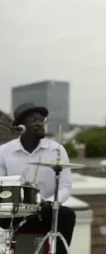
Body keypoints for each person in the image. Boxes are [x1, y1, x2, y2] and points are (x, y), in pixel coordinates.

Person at [0, 102, 75, 254]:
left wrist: (53, 203)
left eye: (42, 120)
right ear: (21, 126)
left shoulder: (57, 150)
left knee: (67, 215)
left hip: (45, 208)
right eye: (33, 120)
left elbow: (65, 186)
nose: (40, 124)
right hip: (13, 209)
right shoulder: (4, 151)